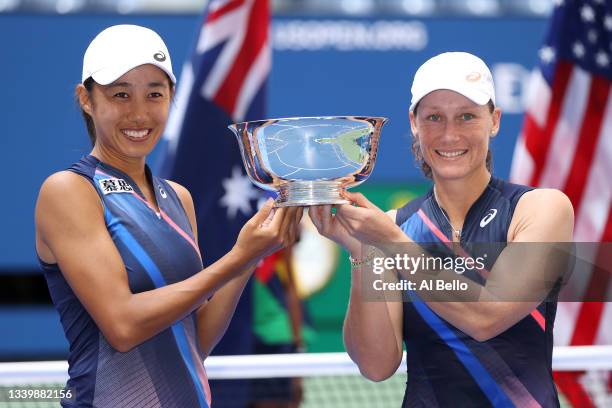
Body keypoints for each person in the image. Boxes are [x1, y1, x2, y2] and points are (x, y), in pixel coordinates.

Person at [34, 25, 303, 408]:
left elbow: (197, 338)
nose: (139, 112)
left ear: (171, 98)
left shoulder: (178, 198)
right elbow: (123, 326)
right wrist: (237, 258)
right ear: (87, 99)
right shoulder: (68, 191)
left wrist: (251, 256)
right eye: (120, 95)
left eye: (154, 94)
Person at [309, 52, 574, 407]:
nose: (450, 135)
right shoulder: (394, 228)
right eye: (434, 117)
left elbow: (487, 317)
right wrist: (363, 253)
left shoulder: (540, 209)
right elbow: (375, 365)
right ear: (414, 123)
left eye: (467, 116)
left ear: (494, 121)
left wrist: (389, 243)